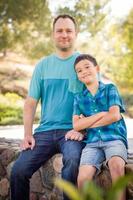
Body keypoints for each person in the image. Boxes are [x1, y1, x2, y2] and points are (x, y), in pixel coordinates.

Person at [10, 14, 85, 200]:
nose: (64, 34)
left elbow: (96, 101)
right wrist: (27, 134)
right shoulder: (43, 65)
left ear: (76, 34)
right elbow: (30, 103)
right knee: (18, 170)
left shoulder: (84, 64)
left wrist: (83, 130)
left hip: (72, 131)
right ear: (53, 34)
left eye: (69, 30)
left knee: (73, 160)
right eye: (59, 30)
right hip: (44, 133)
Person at [70, 54, 128, 200]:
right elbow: (76, 125)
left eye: (87, 67)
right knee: (82, 178)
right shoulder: (79, 98)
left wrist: (87, 123)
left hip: (114, 139)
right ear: (77, 76)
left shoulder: (110, 89)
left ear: (97, 68)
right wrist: (101, 114)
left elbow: (114, 115)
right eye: (79, 70)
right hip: (92, 143)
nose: (84, 71)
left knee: (116, 166)